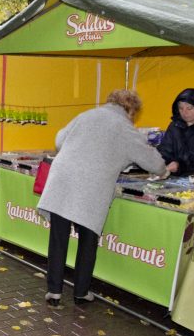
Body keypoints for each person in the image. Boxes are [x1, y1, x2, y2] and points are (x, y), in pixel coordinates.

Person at [37, 89, 168, 307]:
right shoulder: (125, 127)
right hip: (91, 186)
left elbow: (59, 140)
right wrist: (164, 171)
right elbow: (152, 161)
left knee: (58, 238)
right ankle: (80, 292)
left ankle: (54, 292)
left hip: (62, 179)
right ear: (130, 109)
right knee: (88, 239)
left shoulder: (87, 115)